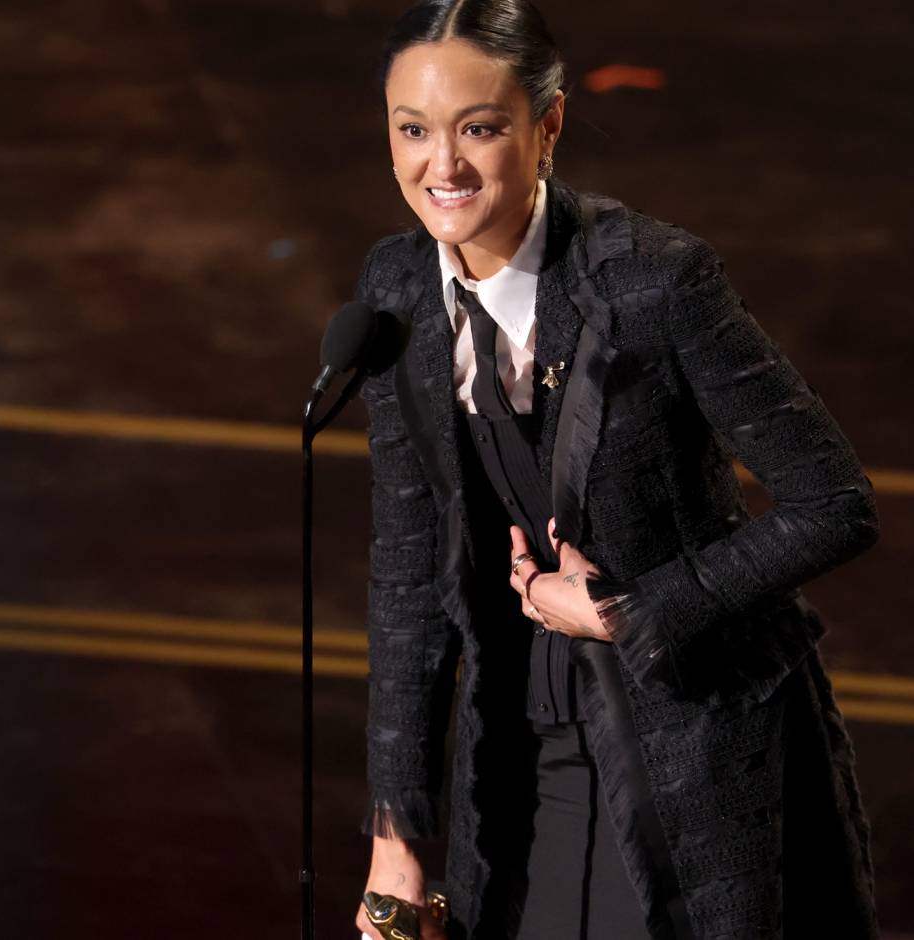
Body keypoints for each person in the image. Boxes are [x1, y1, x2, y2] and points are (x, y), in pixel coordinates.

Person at [350, 2, 882, 938]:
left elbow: (834, 503)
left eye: (480, 128)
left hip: (689, 747)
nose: (444, 167)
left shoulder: (655, 282)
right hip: (518, 758)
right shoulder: (396, 294)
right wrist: (398, 832)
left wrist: (631, 609)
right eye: (413, 131)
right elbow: (408, 567)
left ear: (546, 125)